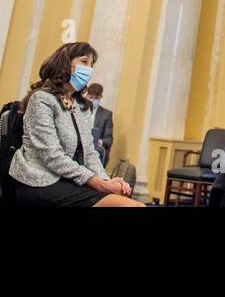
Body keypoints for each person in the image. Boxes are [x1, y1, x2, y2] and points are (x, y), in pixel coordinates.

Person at [8, 42, 143, 207]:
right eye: (84, 61)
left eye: (92, 64)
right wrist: (100, 184)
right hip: (40, 181)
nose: (89, 69)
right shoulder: (42, 99)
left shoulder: (81, 105)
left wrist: (106, 180)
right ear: (65, 63)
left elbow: (90, 153)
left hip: (70, 179)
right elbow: (52, 156)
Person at [84, 82, 113, 167]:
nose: (93, 100)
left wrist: (99, 142)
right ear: (87, 96)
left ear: (100, 97)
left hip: (96, 149)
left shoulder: (106, 114)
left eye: (96, 98)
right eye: (91, 97)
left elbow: (108, 140)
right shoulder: (80, 110)